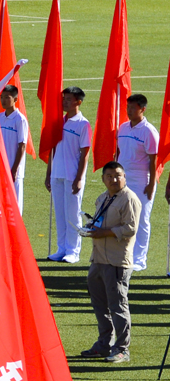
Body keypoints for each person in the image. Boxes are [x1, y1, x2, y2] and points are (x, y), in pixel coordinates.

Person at [81, 162, 141, 363]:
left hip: (116, 261)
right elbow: (100, 222)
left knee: (118, 306)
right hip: (98, 259)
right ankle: (104, 344)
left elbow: (130, 229)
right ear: (103, 179)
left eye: (118, 175)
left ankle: (122, 349)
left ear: (124, 177)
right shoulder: (103, 198)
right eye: (109, 176)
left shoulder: (129, 199)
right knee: (100, 306)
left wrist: (104, 233)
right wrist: (90, 229)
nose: (114, 180)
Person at [114, 93, 159, 271]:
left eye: (133, 108)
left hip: (141, 180)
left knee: (141, 219)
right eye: (128, 107)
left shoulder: (149, 131)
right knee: (122, 217)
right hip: (122, 179)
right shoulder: (123, 128)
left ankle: (140, 259)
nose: (129, 110)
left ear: (143, 109)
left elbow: (154, 160)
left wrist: (151, 184)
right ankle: (124, 254)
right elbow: (119, 153)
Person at [48, 87, 91, 262]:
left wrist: (79, 178)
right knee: (60, 214)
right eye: (63, 98)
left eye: (68, 99)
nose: (64, 102)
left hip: (72, 175)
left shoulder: (83, 124)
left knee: (72, 215)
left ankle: (73, 251)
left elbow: (85, 153)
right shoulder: (58, 121)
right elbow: (52, 149)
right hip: (56, 174)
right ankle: (61, 249)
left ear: (78, 102)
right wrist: (48, 174)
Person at [0, 84, 30, 206]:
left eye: (7, 97)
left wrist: (14, 169)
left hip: (13, 170)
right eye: (2, 97)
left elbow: (22, 145)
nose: (3, 100)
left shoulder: (20, 120)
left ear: (15, 99)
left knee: (14, 203)